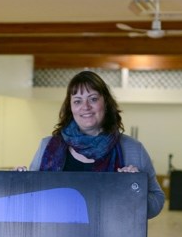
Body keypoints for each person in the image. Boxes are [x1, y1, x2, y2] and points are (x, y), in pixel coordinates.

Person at [29, 70, 164, 219]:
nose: (85, 107)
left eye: (93, 99)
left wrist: (135, 187)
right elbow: (29, 198)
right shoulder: (47, 146)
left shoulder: (132, 149)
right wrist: (15, 182)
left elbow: (156, 202)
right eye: (77, 101)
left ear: (105, 102)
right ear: (70, 107)